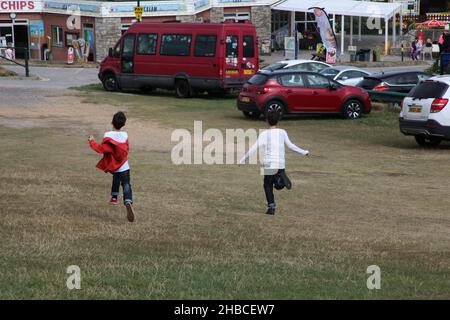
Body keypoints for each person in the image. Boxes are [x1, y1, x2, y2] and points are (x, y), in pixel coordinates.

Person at [239, 108, 310, 215]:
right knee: (276, 183)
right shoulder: (282, 132)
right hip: (280, 164)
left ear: (267, 120)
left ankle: (271, 207)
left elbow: (254, 147)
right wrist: (304, 152)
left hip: (268, 164)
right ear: (278, 120)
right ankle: (281, 180)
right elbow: (291, 146)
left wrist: (243, 159)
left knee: (267, 185)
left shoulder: (264, 134)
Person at [89, 111, 135, 222]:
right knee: (126, 184)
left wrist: (91, 142)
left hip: (115, 166)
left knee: (116, 178)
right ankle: (128, 200)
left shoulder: (108, 135)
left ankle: (114, 197)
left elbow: (102, 149)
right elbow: (127, 149)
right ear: (123, 124)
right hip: (125, 165)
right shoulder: (125, 135)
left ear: (112, 122)